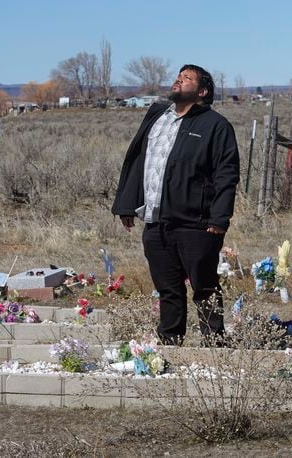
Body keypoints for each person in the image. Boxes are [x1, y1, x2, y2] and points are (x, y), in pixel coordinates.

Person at [111, 64, 240, 345]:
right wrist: (126, 203)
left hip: (197, 224)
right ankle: (170, 344)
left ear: (202, 91)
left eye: (187, 78)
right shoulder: (158, 116)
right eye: (179, 76)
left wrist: (219, 219)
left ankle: (215, 346)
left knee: (204, 287)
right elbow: (137, 160)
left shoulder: (215, 126)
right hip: (156, 221)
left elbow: (226, 174)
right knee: (168, 289)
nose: (179, 80)